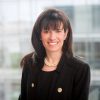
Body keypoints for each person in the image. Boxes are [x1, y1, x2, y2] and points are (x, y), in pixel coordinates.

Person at [18, 8, 90, 100]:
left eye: (58, 31)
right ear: (40, 35)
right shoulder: (29, 63)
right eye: (46, 31)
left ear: (65, 34)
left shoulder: (80, 69)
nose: (52, 37)